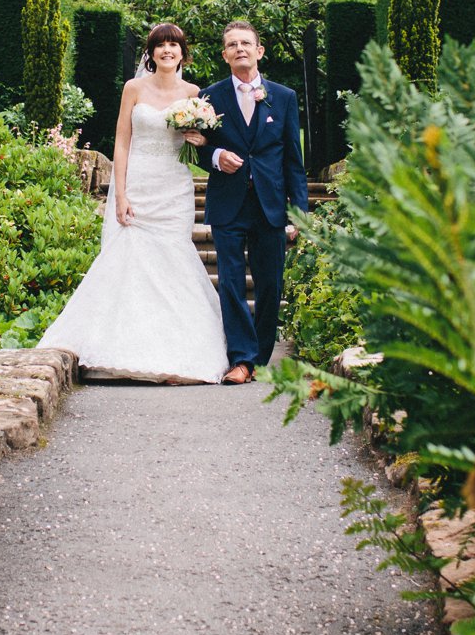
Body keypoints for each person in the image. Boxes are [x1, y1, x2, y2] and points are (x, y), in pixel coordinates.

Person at [37, 23, 228, 384]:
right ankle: (120, 346)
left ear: (182, 53)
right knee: (130, 259)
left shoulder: (194, 93)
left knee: (173, 258)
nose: (167, 51)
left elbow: (202, 142)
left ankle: (177, 351)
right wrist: (120, 193)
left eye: (174, 45)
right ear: (151, 53)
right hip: (139, 183)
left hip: (174, 187)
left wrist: (198, 140)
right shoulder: (134, 88)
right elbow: (122, 142)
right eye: (160, 45)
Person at [182, 21, 308, 385]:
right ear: (224, 55)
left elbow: (294, 160)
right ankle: (241, 359)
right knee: (233, 283)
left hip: (271, 204)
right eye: (232, 45)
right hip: (228, 203)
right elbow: (197, 149)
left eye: (245, 43)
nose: (239, 48)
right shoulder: (210, 97)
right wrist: (217, 154)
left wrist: (299, 212)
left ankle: (259, 357)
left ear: (259, 51)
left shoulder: (283, 97)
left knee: (270, 285)